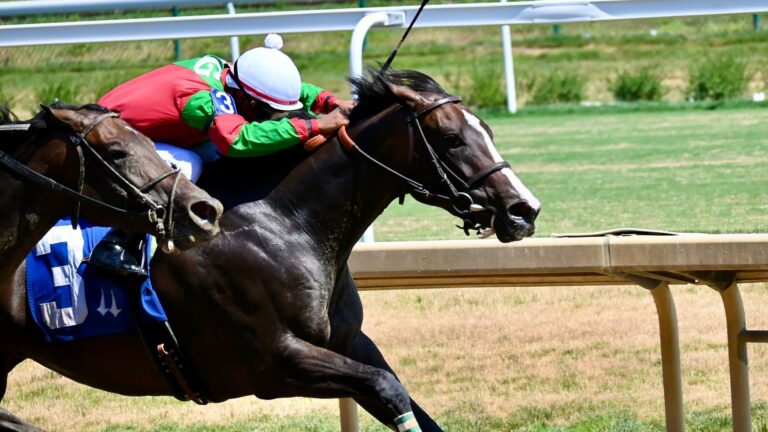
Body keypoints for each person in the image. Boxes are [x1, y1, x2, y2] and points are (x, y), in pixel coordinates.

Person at [85, 33, 353, 278]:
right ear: (247, 100)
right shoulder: (201, 98)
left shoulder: (233, 74)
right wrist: (315, 125)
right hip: (102, 147)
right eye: (266, 112)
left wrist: (331, 102)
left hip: (131, 133)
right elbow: (235, 140)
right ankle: (116, 243)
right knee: (190, 163)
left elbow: (291, 90)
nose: (269, 119)